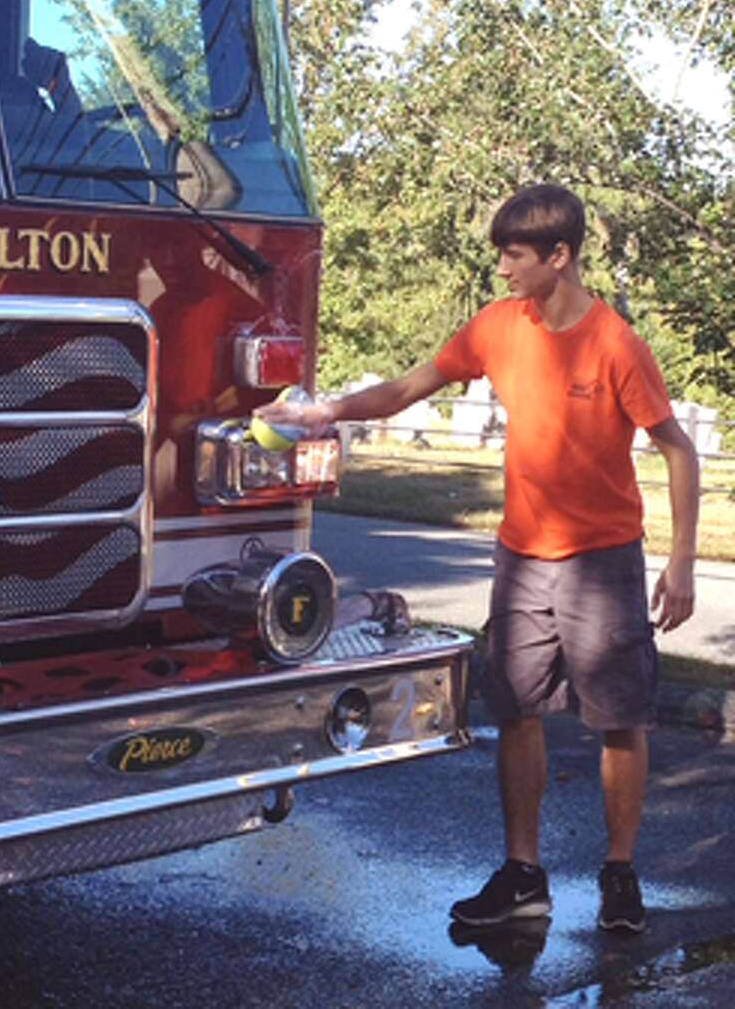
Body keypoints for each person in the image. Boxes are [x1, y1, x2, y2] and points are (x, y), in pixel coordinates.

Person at [254, 183, 699, 935]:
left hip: (603, 562)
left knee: (620, 721)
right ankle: (523, 877)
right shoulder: (498, 327)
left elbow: (678, 450)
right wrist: (321, 411)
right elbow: (406, 389)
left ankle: (620, 875)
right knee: (516, 710)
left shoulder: (615, 345)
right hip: (521, 557)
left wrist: (681, 561)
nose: (500, 269)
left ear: (560, 257)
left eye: (513, 255)